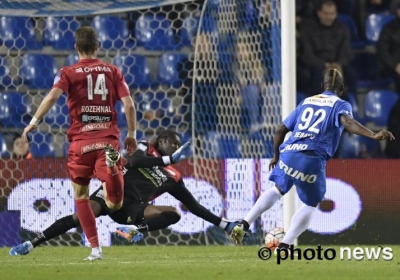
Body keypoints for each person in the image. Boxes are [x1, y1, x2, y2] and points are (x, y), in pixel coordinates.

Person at [230, 69, 394, 250]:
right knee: (310, 203)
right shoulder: (341, 104)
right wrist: (373, 135)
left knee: (277, 190)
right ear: (342, 88)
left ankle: (243, 224)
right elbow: (347, 122)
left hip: (289, 153)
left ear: (321, 86)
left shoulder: (306, 101)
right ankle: (285, 246)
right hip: (311, 158)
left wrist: (276, 155)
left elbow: (280, 130)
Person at [10, 130, 237, 256]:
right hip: (110, 192)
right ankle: (31, 244)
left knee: (173, 214)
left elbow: (195, 207)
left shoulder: (174, 177)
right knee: (79, 217)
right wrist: (169, 159)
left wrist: (225, 224)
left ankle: (133, 229)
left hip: (132, 207)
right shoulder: (146, 146)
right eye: (174, 144)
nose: (177, 149)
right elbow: (136, 161)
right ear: (164, 141)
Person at [20, 26, 137, 260]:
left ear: (76, 48)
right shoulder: (113, 70)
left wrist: (33, 121)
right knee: (114, 204)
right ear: (98, 46)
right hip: (107, 141)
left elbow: (52, 96)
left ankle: (95, 250)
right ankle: (113, 169)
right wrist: (131, 133)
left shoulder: (67, 72)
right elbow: (129, 105)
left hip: (80, 144)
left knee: (81, 196)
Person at [297, 0, 356, 98]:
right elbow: (307, 53)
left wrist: (338, 64)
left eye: (332, 14)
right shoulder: (307, 28)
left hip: (337, 64)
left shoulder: (342, 29)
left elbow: (345, 52)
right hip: (316, 65)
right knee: (317, 74)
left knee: (351, 75)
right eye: (326, 14)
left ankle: (349, 104)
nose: (329, 17)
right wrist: (325, 65)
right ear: (319, 13)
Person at [377, 3, 400, 95]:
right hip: (393, 67)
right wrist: (395, 65)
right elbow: (383, 52)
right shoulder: (388, 29)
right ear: (398, 11)